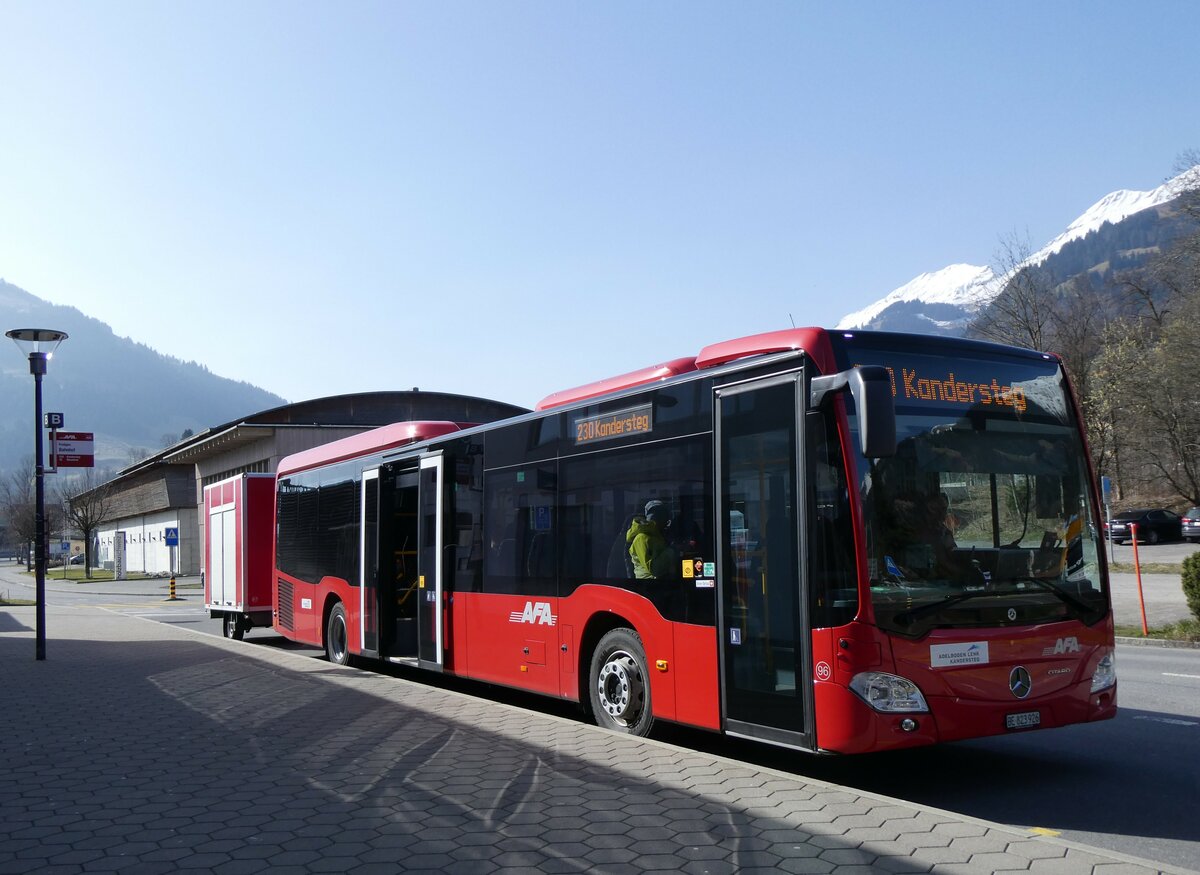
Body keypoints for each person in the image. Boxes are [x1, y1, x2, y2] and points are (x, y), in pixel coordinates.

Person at [627, 500, 677, 579]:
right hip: (647, 587)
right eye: (662, 516)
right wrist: (673, 551)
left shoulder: (658, 536)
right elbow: (654, 569)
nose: (667, 522)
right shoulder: (641, 538)